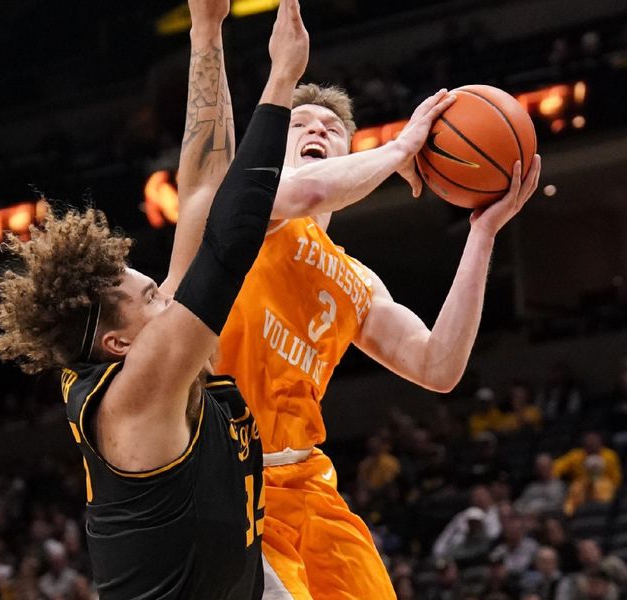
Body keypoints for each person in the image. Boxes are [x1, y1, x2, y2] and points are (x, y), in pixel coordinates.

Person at [170, 17, 542, 596]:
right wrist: (399, 150)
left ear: (348, 150)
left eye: (333, 129)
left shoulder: (357, 281)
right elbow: (310, 191)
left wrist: (482, 234)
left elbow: (438, 366)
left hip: (310, 484)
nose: (318, 128)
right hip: (228, 477)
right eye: (300, 124)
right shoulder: (250, 207)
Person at [0, 1, 309, 597]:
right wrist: (281, 81)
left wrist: (207, 31)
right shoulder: (136, 395)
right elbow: (228, 244)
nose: (172, 296)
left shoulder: (149, 363)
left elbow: (206, 194)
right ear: (119, 342)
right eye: (155, 296)